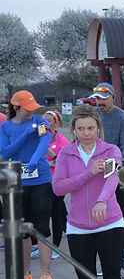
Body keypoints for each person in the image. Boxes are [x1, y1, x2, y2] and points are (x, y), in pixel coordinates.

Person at [52, 105, 124, 279]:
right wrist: (87, 173)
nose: (86, 133)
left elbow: (112, 179)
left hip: (110, 223)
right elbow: (58, 188)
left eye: (91, 128)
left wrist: (101, 201)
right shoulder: (66, 154)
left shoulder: (111, 151)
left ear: (98, 128)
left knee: (112, 278)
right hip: (78, 227)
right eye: (81, 128)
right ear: (73, 129)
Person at [0, 91, 55, 279]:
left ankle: (46, 273)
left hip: (40, 180)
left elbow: (44, 142)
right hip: (17, 183)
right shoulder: (5, 127)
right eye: (27, 108)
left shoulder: (41, 122)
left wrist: (34, 160)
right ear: (16, 108)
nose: (32, 111)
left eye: (33, 107)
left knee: (42, 226)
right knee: (22, 229)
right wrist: (24, 135)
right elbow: (6, 152)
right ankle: (26, 273)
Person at [89, 82, 124, 279]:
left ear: (114, 97)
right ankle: (102, 261)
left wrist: (114, 170)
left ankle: (119, 263)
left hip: (115, 174)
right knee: (97, 218)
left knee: (116, 219)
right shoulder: (92, 117)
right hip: (93, 175)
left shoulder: (122, 117)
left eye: (104, 98)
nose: (100, 102)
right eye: (97, 99)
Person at [43, 110, 70, 258]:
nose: (45, 123)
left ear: (56, 123)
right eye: (43, 120)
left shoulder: (61, 140)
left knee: (56, 213)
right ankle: (70, 230)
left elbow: (64, 160)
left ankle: (56, 246)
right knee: (58, 212)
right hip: (41, 182)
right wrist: (48, 163)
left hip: (57, 182)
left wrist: (51, 157)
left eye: (49, 120)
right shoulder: (37, 138)